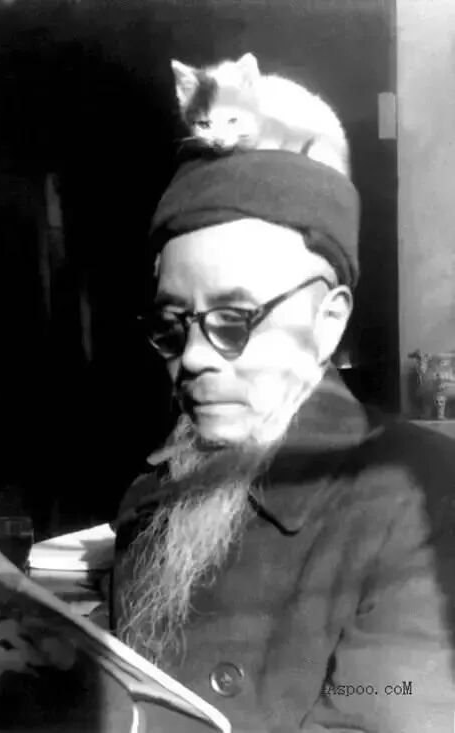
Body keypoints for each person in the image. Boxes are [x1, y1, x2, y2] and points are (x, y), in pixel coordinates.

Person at [110, 149, 455, 732]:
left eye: (235, 318)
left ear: (328, 322)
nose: (192, 358)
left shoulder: (426, 496)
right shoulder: (150, 496)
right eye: (172, 325)